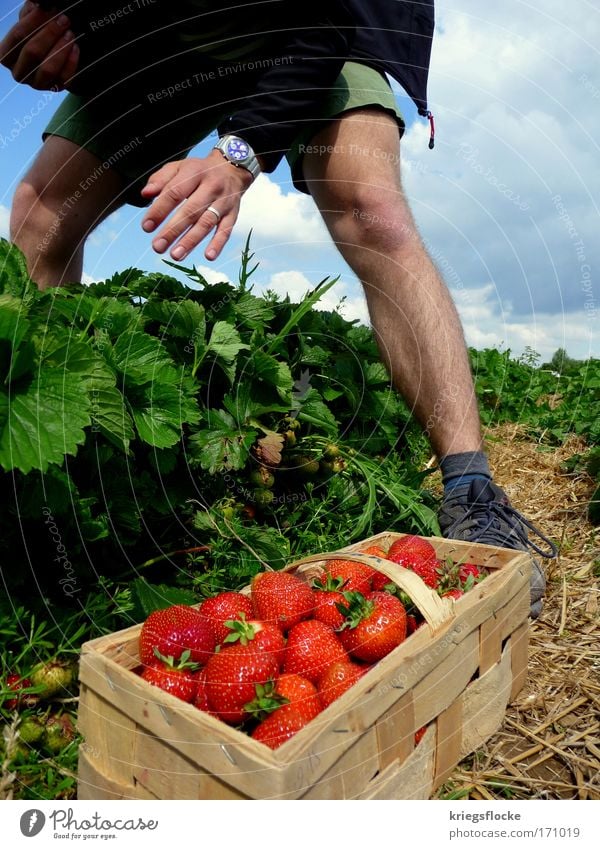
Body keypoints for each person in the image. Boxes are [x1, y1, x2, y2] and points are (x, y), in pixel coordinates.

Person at [1, 1, 557, 615]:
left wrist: (240, 154)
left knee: (372, 212)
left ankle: (472, 490)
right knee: (40, 213)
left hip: (313, 26)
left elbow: (325, 21)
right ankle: (48, 493)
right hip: (161, 44)